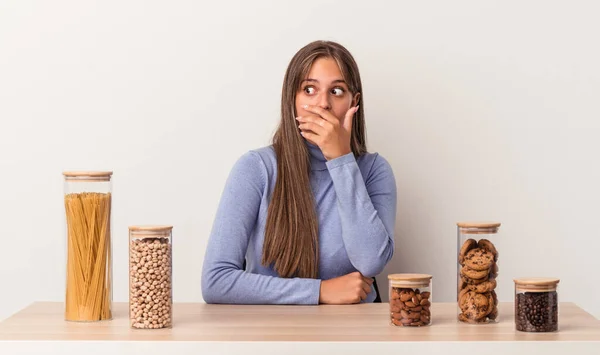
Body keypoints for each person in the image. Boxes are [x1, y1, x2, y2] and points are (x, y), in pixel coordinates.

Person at [201, 40, 397, 305]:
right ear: (292, 99)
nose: (322, 104)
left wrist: (340, 160)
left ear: (354, 102)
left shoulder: (374, 170)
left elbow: (371, 261)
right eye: (309, 89)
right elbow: (216, 281)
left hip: (352, 333)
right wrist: (320, 291)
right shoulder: (256, 168)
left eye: (337, 91)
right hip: (273, 333)